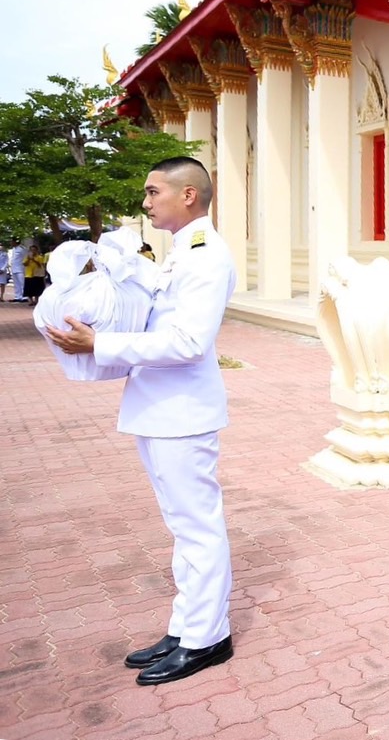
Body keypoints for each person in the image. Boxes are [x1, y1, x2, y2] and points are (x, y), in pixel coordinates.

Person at [45, 157, 237, 685]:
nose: (146, 202)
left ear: (189, 196)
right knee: (182, 527)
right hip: (159, 407)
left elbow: (188, 342)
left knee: (197, 527)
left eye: (154, 193)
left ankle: (207, 638)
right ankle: (187, 625)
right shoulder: (179, 255)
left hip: (183, 413)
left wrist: (100, 343)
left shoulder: (206, 257)